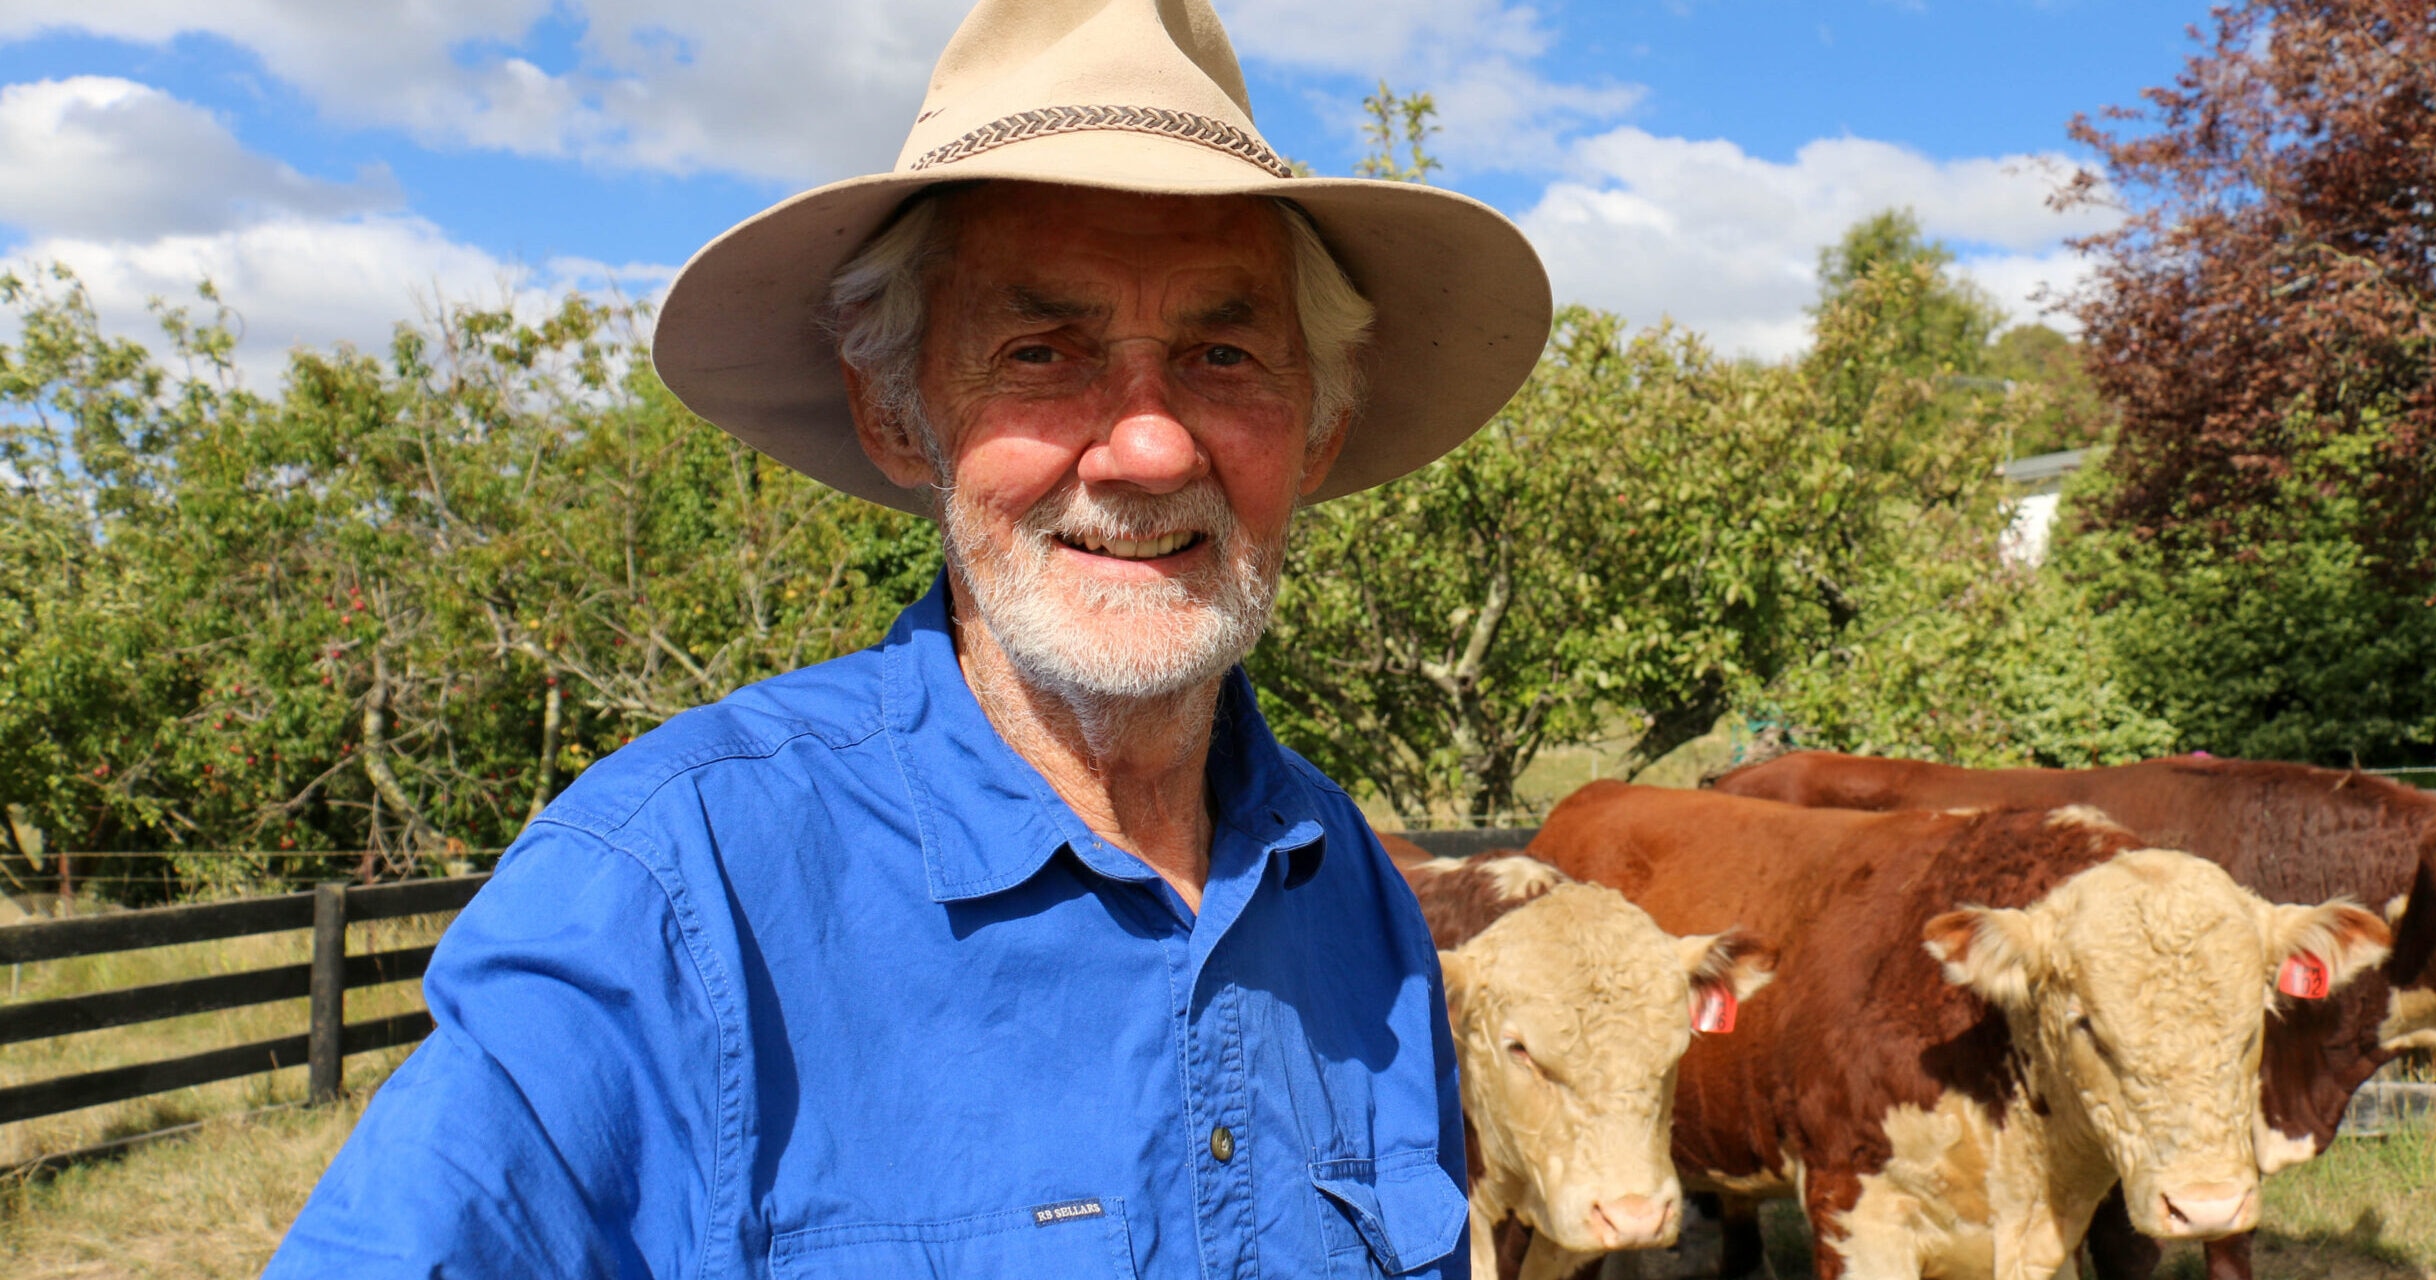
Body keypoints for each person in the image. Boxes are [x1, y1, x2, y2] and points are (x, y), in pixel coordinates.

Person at [266, 0, 1549, 1274]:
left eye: (1223, 352)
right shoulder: (669, 891)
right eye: (1041, 352)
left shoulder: (1356, 903)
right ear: (893, 414)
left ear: (1315, 431)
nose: (1150, 445)